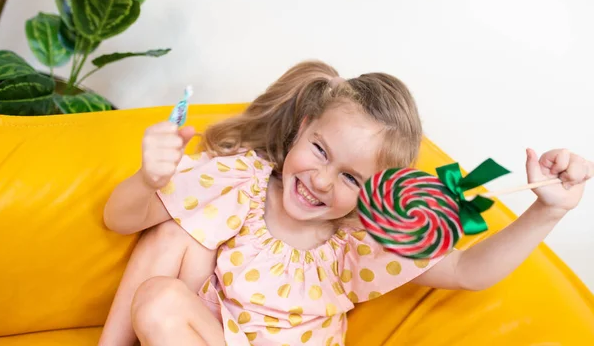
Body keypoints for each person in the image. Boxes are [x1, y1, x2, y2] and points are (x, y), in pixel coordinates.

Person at [99, 61, 592, 346]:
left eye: (352, 178)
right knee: (170, 239)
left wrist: (547, 210)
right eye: (319, 150)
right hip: (208, 335)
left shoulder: (359, 246)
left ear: (379, 191)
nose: (320, 180)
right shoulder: (242, 185)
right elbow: (120, 220)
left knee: (167, 282)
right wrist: (149, 179)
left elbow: (467, 273)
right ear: (303, 124)